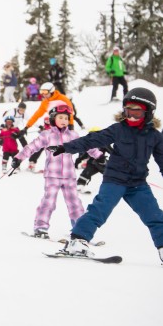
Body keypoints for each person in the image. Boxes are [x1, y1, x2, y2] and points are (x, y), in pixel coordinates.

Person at [46, 88, 163, 262]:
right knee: (99, 210)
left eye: (136, 112)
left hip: (138, 184)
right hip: (114, 180)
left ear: (148, 113)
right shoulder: (118, 129)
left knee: (154, 215)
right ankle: (78, 240)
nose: (131, 116)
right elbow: (92, 139)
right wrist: (66, 147)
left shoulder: (155, 136)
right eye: (128, 111)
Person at [11, 105, 102, 238]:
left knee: (75, 203)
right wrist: (19, 158)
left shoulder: (73, 135)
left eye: (66, 118)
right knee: (49, 202)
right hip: (52, 176)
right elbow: (31, 147)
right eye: (60, 117)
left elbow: (86, 145)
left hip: (69, 176)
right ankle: (40, 227)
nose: (64, 120)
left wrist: (99, 155)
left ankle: (80, 230)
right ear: (53, 119)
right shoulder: (47, 135)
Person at [74, 127, 109, 194]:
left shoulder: (104, 143)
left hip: (102, 163)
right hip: (92, 163)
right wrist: (78, 160)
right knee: (85, 174)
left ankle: (118, 186)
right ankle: (80, 186)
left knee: (110, 174)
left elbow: (112, 151)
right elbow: (85, 154)